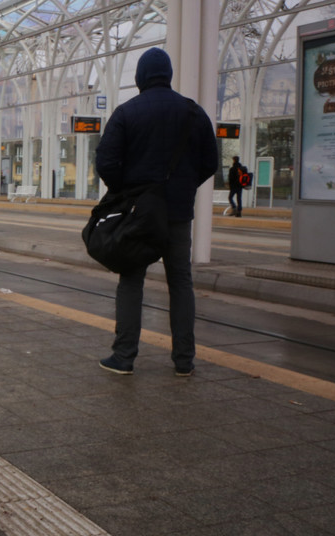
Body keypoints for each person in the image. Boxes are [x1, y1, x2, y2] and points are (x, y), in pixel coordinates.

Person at [93, 47, 217, 377]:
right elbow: (210, 162)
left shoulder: (127, 112)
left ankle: (124, 357)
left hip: (139, 214)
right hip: (177, 215)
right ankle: (184, 361)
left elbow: (105, 161)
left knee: (131, 280)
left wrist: (126, 192)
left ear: (140, 77)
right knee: (181, 282)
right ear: (169, 75)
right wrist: (184, 187)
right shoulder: (193, 113)